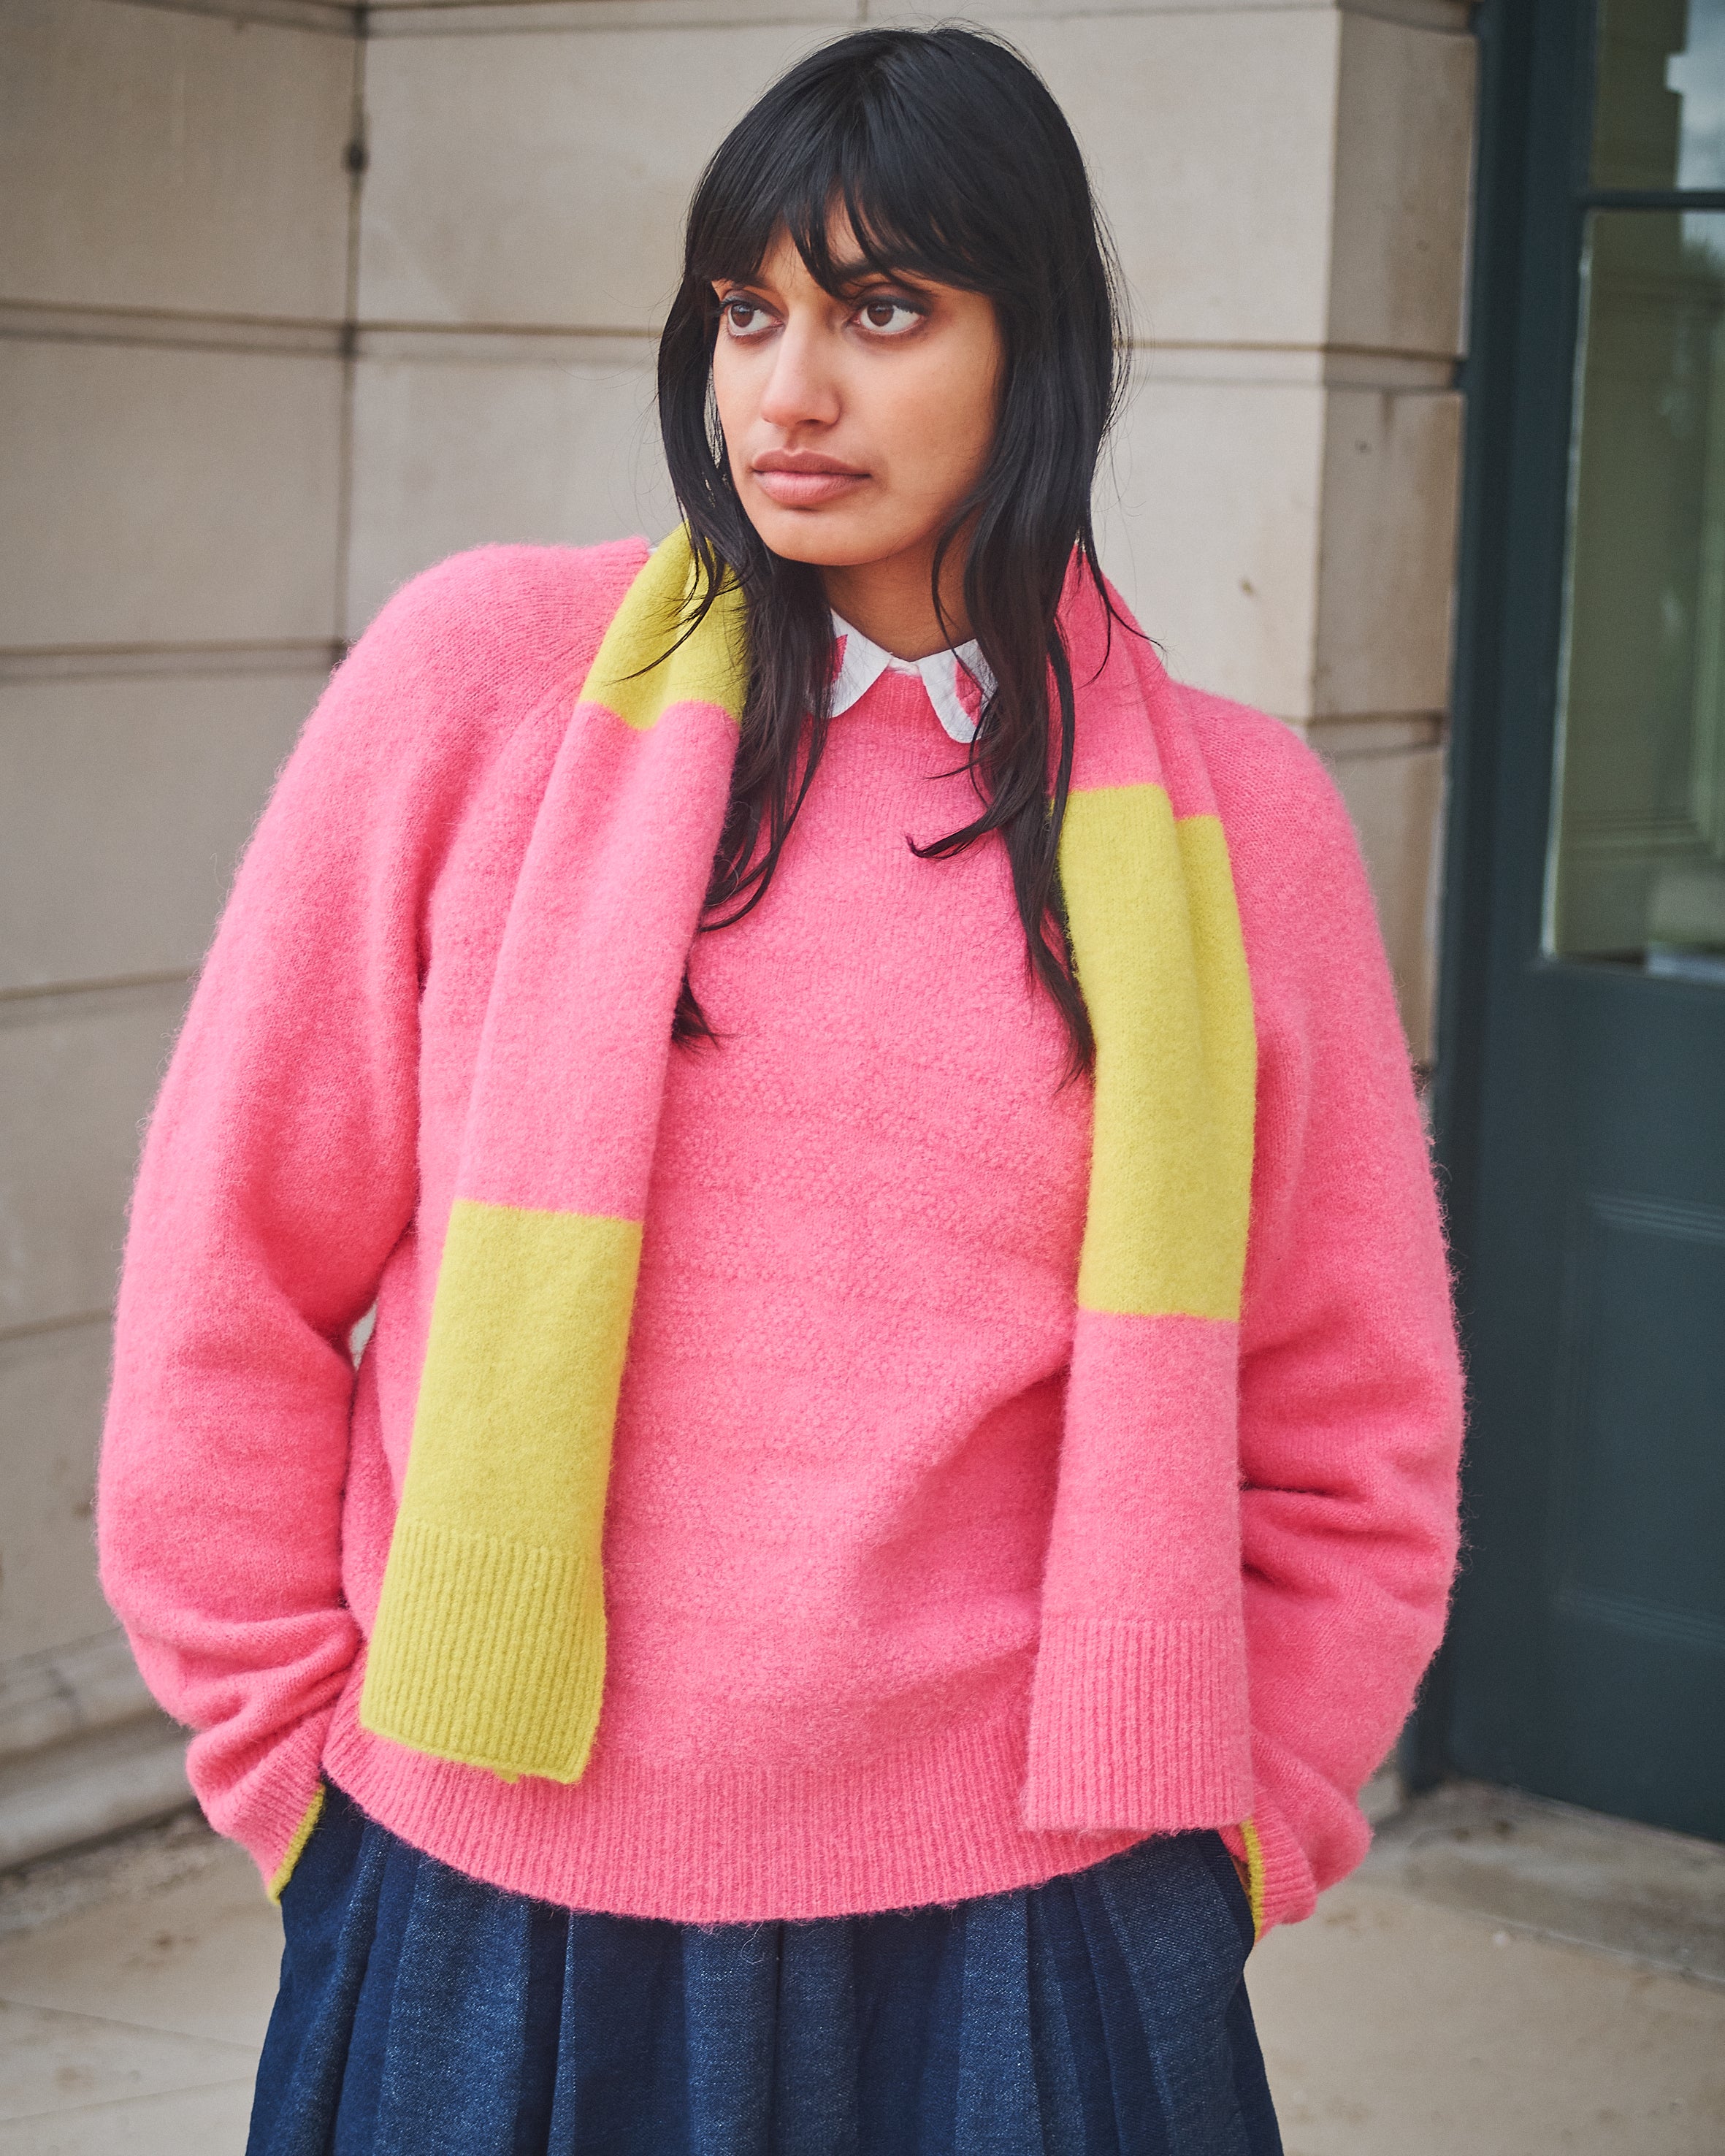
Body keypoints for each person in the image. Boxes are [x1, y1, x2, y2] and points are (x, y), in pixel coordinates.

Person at [96, 24, 1464, 2155]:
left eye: (881, 310)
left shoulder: (1240, 832)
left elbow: (1347, 1422)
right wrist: (295, 1772)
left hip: (1036, 1925)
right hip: (485, 1887)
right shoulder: (481, 697)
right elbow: (231, 1274)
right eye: (750, 311)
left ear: (1045, 350)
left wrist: (1235, 1849)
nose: (785, 393)